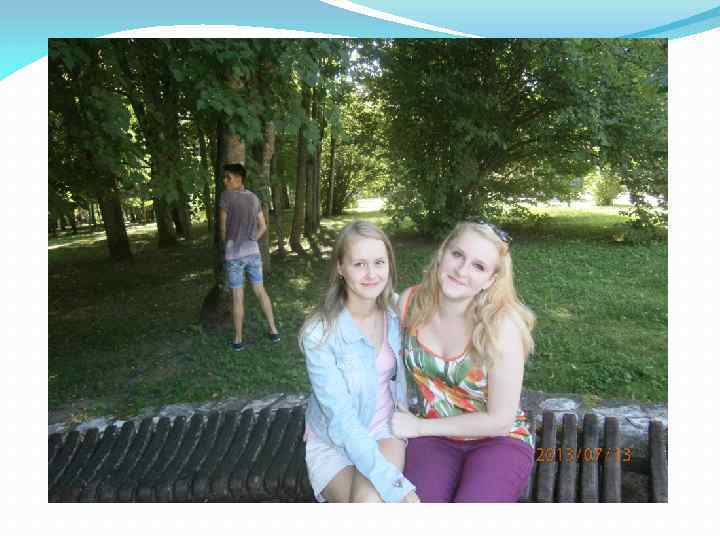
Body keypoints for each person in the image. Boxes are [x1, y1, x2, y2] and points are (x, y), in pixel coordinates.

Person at [391, 220, 536, 502]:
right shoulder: (410, 303)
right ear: (442, 252)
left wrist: (419, 427)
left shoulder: (502, 327)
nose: (461, 270)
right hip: (434, 441)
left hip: (498, 442)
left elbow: (500, 421)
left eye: (478, 266)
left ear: (490, 280)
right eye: (457, 255)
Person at [300, 220, 419, 503]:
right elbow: (341, 420)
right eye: (359, 264)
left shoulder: (397, 310)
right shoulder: (319, 333)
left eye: (379, 262)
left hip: (383, 429)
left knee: (368, 503)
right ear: (340, 267)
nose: (371, 274)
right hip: (332, 439)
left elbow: (449, 313)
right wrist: (400, 489)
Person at [219, 162, 279, 351]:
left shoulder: (226, 196)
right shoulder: (254, 198)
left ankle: (238, 340)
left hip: (234, 255)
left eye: (228, 177)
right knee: (260, 291)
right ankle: (273, 330)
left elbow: (222, 227)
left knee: (238, 297)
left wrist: (227, 244)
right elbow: (263, 227)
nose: (225, 181)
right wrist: (253, 239)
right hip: (253, 253)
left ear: (238, 179)